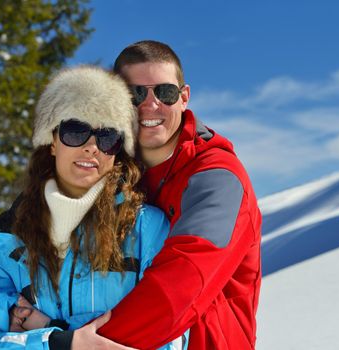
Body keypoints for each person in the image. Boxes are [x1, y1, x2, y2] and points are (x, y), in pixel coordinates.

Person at [0, 66, 187, 350]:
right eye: (76, 131)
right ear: (52, 141)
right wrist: (59, 342)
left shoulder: (148, 229)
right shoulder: (5, 241)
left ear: (117, 149)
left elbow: (169, 340)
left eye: (107, 137)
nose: (91, 148)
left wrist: (48, 330)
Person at [93, 40, 262, 349]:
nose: (150, 105)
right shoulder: (101, 170)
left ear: (184, 98)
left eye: (165, 93)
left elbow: (182, 286)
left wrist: (80, 343)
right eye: (136, 94)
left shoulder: (218, 178)